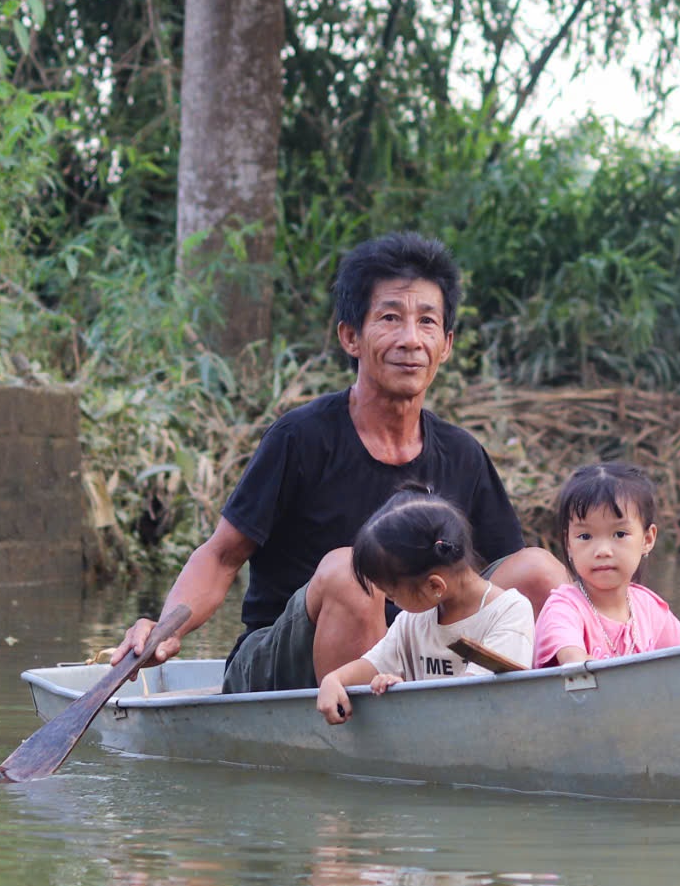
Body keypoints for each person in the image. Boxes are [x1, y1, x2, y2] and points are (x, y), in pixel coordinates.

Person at [117, 231, 569, 692]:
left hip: (410, 662)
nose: (411, 340)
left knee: (538, 570)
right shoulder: (300, 438)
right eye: (390, 318)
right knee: (348, 572)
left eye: (427, 322)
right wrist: (163, 630)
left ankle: (550, 714)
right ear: (351, 337)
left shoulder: (463, 454)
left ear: (446, 344)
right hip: (283, 662)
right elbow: (220, 557)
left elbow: (502, 581)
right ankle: (361, 740)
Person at [314, 491, 536, 725]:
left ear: (434, 586)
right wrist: (334, 679)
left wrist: (410, 694)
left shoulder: (508, 612)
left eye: (392, 594)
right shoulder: (413, 621)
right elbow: (372, 664)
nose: (391, 602)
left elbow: (474, 698)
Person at [533, 463, 680, 668]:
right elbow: (572, 659)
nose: (602, 551)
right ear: (568, 544)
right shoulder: (564, 608)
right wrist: (577, 659)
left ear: (647, 540)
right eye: (585, 536)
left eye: (619, 534)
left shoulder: (648, 607)